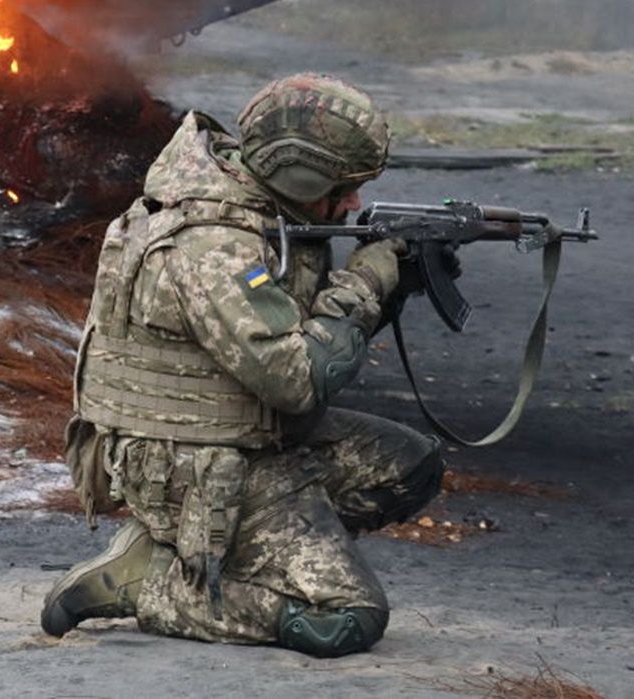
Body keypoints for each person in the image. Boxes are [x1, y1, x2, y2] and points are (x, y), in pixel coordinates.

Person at [41, 73, 443, 657]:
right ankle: (148, 580)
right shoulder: (214, 244)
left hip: (242, 440)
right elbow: (299, 380)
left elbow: (306, 338)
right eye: (343, 186)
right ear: (297, 173)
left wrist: (396, 285)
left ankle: (235, 549)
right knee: (344, 619)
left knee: (411, 465)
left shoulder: (258, 208)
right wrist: (363, 282)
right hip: (192, 464)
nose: (353, 202)